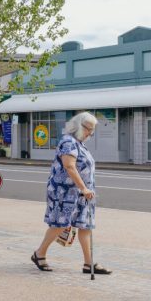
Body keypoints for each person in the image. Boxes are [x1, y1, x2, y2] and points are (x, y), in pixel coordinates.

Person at [31, 112, 112, 275]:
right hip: (65, 192)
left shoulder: (79, 143)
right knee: (59, 225)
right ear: (78, 126)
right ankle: (39, 253)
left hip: (82, 194)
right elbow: (69, 167)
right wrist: (83, 188)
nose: (90, 133)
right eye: (88, 129)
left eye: (92, 130)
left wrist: (85, 190)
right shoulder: (68, 142)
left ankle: (89, 264)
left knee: (85, 226)